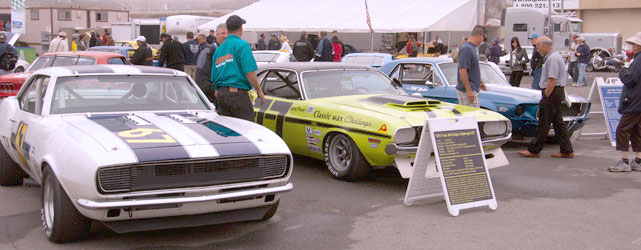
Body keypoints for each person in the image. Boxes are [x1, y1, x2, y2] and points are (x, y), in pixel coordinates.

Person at [518, 37, 574, 158]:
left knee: (544, 121)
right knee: (558, 122)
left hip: (552, 92)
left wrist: (547, 95)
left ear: (544, 46)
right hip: (556, 91)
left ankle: (534, 149)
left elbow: (552, 79)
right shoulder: (554, 57)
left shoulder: (552, 58)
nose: (537, 51)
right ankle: (566, 149)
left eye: (538, 48)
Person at [211, 15, 265, 121]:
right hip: (237, 96)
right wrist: (259, 91)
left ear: (228, 29)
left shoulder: (219, 49)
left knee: (227, 131)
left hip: (222, 95)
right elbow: (249, 72)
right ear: (241, 29)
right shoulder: (243, 45)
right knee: (246, 129)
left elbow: (214, 77)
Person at [608, 32, 641, 172]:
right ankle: (638, 160)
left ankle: (625, 160)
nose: (632, 46)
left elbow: (630, 79)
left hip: (634, 100)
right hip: (639, 100)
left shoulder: (638, 60)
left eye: (634, 44)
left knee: (623, 129)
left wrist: (622, 70)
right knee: (636, 130)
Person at [456, 25, 487, 108]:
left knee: (473, 116)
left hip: (472, 88)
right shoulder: (466, 49)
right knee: (472, 116)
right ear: (481, 35)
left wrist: (480, 81)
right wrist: (468, 90)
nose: (482, 40)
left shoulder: (472, 48)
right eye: (484, 37)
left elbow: (473, 69)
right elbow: (462, 70)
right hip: (467, 90)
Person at [195, 33, 216, 102]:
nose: (199, 41)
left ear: (204, 39)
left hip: (205, 83)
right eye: (198, 39)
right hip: (206, 83)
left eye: (200, 39)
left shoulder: (206, 49)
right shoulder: (207, 49)